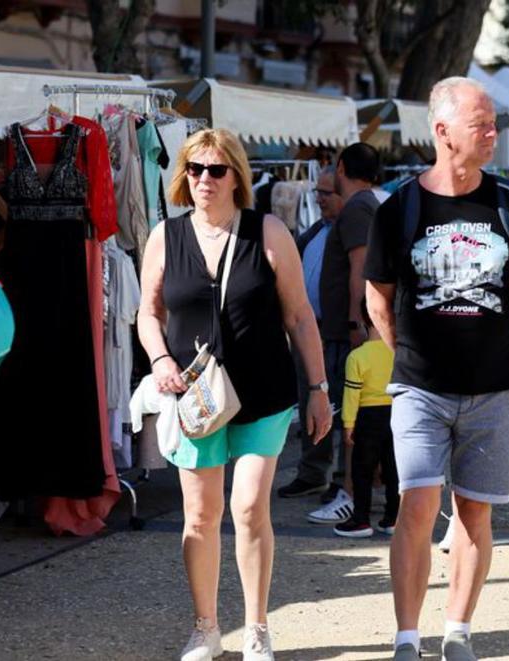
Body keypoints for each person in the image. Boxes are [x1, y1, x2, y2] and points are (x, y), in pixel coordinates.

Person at [364, 76, 509, 661]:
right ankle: (406, 635)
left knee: (474, 511)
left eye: (494, 123)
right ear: (443, 132)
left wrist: (498, 340)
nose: (493, 132)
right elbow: (377, 298)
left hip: (495, 388)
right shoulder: (399, 209)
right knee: (416, 505)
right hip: (420, 387)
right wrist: (412, 355)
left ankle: (457, 630)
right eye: (481, 124)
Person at [137, 128, 332, 661]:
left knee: (248, 507)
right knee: (199, 516)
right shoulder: (165, 236)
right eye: (195, 169)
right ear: (183, 175)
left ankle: (257, 627)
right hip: (195, 399)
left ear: (236, 177)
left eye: (216, 170)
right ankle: (205, 627)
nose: (204, 179)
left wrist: (318, 389)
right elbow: (148, 312)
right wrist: (159, 359)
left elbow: (298, 315)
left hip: (263, 392)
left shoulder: (267, 231)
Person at [280, 144, 380, 522]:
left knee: (344, 411)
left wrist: (356, 322)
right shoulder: (335, 221)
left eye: (326, 192)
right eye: (317, 194)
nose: (320, 199)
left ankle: (350, 487)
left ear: (341, 170)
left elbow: (359, 270)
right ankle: (328, 479)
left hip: (342, 332)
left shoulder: (357, 210)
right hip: (323, 330)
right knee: (325, 406)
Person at [334, 297, 399, 538]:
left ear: (363, 319)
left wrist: (348, 424)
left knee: (362, 470)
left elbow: (351, 395)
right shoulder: (399, 351)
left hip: (367, 417)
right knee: (393, 469)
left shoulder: (357, 357)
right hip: (396, 413)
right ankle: (393, 517)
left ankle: (361, 519)